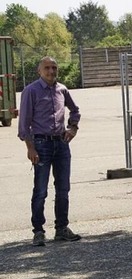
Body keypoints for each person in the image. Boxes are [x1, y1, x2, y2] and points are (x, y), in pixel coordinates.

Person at [18, 56, 82, 246]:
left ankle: (62, 228)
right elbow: (24, 124)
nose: (51, 71)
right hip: (41, 145)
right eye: (47, 68)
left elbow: (75, 110)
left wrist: (73, 128)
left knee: (63, 189)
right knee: (40, 190)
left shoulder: (62, 89)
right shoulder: (31, 91)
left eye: (54, 68)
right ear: (39, 70)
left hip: (61, 144)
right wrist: (30, 148)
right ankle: (38, 231)